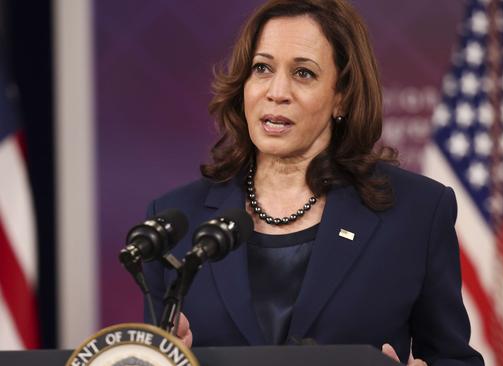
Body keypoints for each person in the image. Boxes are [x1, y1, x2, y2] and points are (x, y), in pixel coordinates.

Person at [143, 0, 483, 365]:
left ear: (342, 96)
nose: (277, 91)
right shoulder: (176, 220)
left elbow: (453, 358)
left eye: (303, 73)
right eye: (262, 68)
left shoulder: (416, 212)